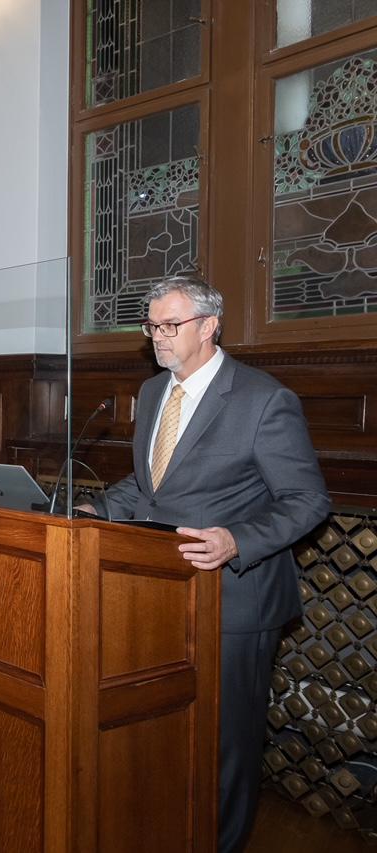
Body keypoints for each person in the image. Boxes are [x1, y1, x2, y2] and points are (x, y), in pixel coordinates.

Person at [91, 274, 330, 853]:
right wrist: (92, 508)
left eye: (170, 325)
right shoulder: (154, 392)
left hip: (235, 602)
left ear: (210, 326)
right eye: (151, 325)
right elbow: (151, 488)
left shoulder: (262, 399)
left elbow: (307, 500)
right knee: (170, 733)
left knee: (226, 744)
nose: (157, 336)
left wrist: (237, 540)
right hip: (161, 593)